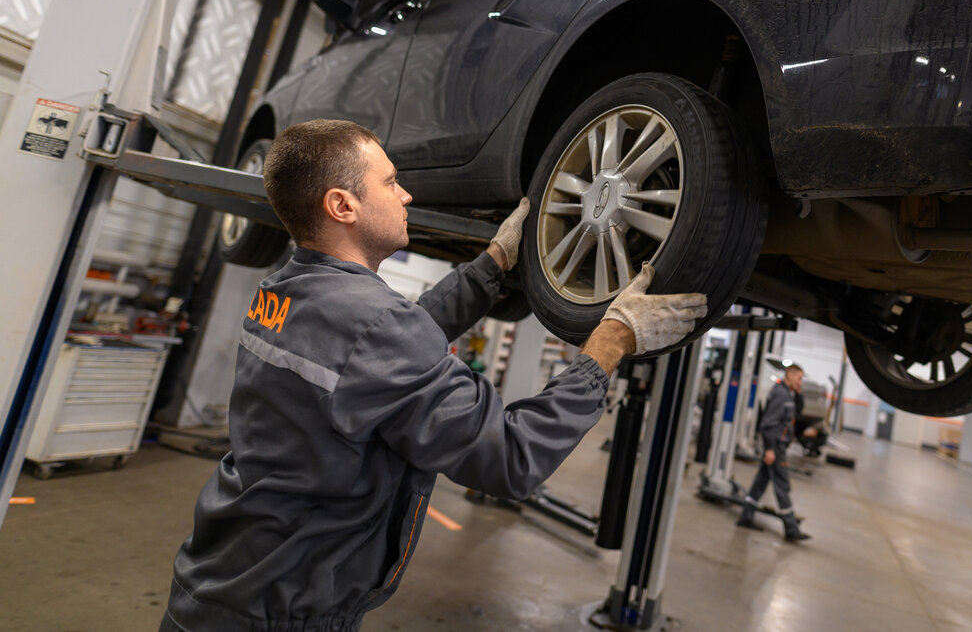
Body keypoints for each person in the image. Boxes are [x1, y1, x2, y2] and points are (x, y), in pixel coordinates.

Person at [160, 119, 707, 631]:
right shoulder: (372, 324)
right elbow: (512, 457)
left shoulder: (284, 291)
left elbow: (383, 348)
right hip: (275, 616)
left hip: (214, 588)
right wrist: (611, 341)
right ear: (342, 205)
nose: (406, 195)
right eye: (390, 182)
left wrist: (491, 264)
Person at [736, 362, 810, 541]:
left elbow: (798, 412)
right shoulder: (780, 394)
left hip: (777, 446)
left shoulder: (788, 394)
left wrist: (799, 393)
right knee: (782, 486)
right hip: (776, 447)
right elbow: (768, 423)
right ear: (789, 375)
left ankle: (746, 516)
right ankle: (791, 529)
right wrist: (769, 448)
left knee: (760, 482)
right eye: (799, 378)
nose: (800, 382)